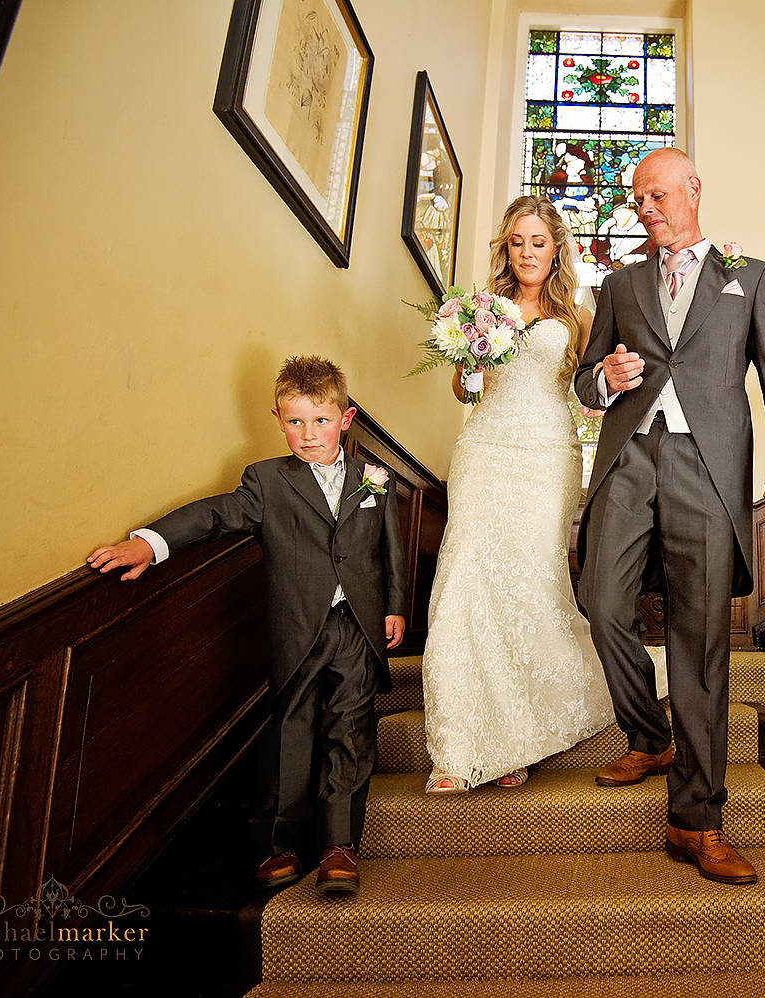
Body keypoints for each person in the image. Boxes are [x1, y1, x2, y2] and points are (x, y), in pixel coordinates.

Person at [573, 148, 765, 885]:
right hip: (630, 460)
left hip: (708, 469)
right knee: (601, 599)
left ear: (693, 190)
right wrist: (604, 378)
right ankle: (650, 730)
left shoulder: (749, 278)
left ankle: (696, 821)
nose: (646, 209)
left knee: (700, 637)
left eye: (657, 195)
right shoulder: (620, 282)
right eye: (638, 200)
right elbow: (583, 378)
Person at [87, 355, 408, 896]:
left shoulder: (374, 478)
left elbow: (390, 550)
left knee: (350, 730)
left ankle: (338, 846)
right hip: (299, 625)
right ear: (278, 421)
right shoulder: (267, 481)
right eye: (296, 422)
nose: (308, 435)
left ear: (346, 420)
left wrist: (395, 605)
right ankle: (279, 844)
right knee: (291, 731)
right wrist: (148, 542)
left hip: (358, 623)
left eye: (321, 421)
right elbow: (213, 515)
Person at [420, 196, 619, 794]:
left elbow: (591, 392)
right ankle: (461, 744)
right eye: (516, 242)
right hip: (484, 453)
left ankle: (518, 738)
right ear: (505, 249)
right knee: (466, 578)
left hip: (545, 457)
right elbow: (463, 391)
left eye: (538, 241)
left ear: (557, 248)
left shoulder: (578, 318)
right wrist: (472, 356)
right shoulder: (480, 310)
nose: (527, 252)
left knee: (532, 583)